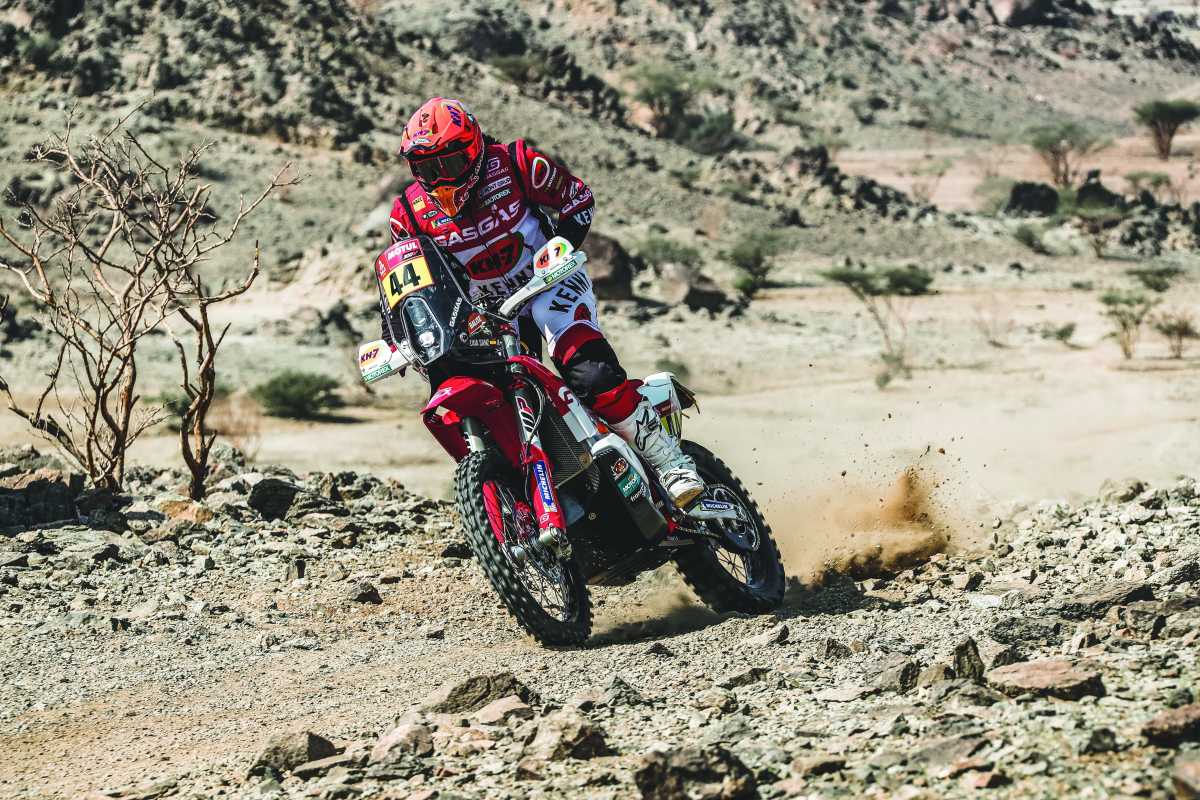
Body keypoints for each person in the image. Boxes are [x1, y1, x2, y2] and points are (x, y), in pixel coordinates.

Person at [378, 96, 703, 507]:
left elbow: (577, 200)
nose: (440, 179)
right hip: (491, 315)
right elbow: (406, 279)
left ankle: (670, 461)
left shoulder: (516, 162)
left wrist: (562, 244)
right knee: (502, 401)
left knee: (589, 374)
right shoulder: (407, 213)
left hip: (548, 284)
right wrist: (392, 337)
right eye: (426, 168)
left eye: (449, 164)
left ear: (474, 151)